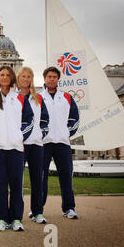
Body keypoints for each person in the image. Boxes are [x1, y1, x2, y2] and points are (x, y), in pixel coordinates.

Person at [0, 66, 34, 232]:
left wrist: (20, 136)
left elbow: (29, 120)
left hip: (16, 148)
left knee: (16, 186)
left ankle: (16, 219)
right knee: (0, 187)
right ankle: (2, 219)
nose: (4, 77)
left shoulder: (20, 98)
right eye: (1, 75)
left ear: (12, 78)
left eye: (7, 75)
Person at [40, 66, 80, 219]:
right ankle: (38, 209)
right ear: (44, 78)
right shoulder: (37, 96)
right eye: (49, 76)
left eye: (54, 77)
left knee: (66, 176)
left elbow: (75, 119)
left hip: (63, 143)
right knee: (41, 177)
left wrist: (66, 132)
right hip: (43, 143)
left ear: (58, 79)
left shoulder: (66, 97)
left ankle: (69, 208)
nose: (51, 79)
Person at [16, 67, 50, 224]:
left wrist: (41, 134)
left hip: (36, 144)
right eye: (22, 76)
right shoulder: (12, 97)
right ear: (18, 78)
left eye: (28, 76)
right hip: (18, 145)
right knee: (17, 181)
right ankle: (17, 215)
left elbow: (44, 119)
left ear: (31, 79)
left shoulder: (38, 98)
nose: (25, 79)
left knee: (38, 180)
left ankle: (37, 212)